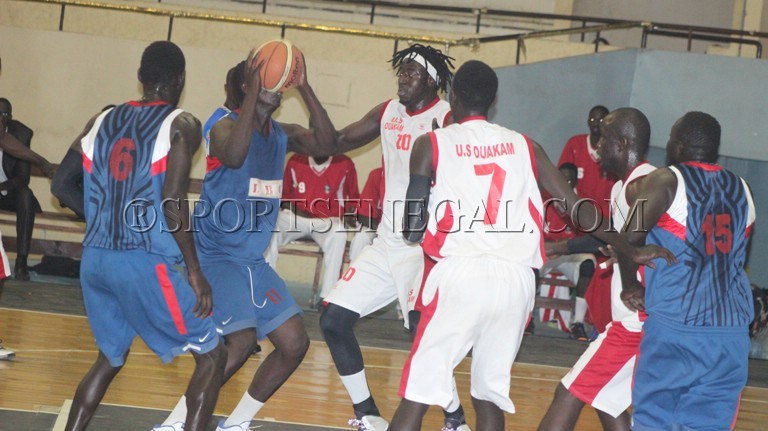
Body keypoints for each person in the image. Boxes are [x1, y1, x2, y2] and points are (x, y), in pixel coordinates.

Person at [388, 62, 671, 431]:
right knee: (487, 397)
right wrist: (627, 247)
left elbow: (411, 229)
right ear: (493, 100)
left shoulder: (431, 143)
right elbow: (578, 210)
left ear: (452, 97)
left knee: (418, 393)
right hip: (517, 282)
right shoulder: (526, 145)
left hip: (462, 273)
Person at [155, 50, 343, 431]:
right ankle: (176, 423)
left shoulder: (282, 134)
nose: (276, 87)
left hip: (253, 262)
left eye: (278, 83)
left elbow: (328, 143)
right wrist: (254, 94)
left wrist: (303, 87)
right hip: (216, 256)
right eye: (266, 82)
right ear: (247, 86)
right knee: (239, 342)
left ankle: (237, 422)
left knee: (294, 344)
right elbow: (236, 156)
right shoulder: (220, 125)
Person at [50, 41, 228, 431]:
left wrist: (101, 215)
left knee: (110, 358)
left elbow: (62, 184)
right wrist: (195, 270)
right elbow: (173, 199)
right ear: (180, 79)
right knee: (213, 356)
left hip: (95, 260)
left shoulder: (101, 119)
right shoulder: (182, 125)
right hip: (144, 262)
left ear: (141, 78)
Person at [317, 44, 474, 431]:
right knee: (333, 320)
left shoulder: (447, 118)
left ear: (434, 81)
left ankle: (454, 418)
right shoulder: (388, 112)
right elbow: (334, 141)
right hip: (387, 241)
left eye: (411, 73)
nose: (402, 78)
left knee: (422, 333)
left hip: (421, 246)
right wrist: (303, 96)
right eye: (400, 71)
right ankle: (367, 411)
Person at [617, 111, 755, 431]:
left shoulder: (665, 179)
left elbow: (628, 239)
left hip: (676, 325)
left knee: (655, 419)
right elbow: (738, 256)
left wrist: (630, 287)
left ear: (677, 145)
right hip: (730, 332)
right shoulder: (743, 189)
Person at [538, 107, 656, 431]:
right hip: (633, 321)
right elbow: (619, 240)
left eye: (603, 137)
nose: (597, 146)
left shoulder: (646, 184)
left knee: (566, 394)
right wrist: (562, 244)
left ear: (622, 142)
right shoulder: (622, 188)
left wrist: (633, 272)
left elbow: (640, 243)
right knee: (607, 403)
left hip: (637, 323)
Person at [266, 152, 359, 304]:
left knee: (340, 233)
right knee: (269, 227)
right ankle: (268, 289)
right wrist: (298, 210)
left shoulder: (344, 163)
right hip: (296, 217)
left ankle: (328, 297)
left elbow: (353, 198)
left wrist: (351, 213)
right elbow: (283, 196)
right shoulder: (296, 159)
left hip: (327, 221)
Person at [559, 105, 617, 334]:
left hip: (602, 225)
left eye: (601, 119)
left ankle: (585, 320)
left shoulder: (612, 153)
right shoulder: (575, 144)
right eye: (592, 118)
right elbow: (562, 177)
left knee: (600, 268)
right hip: (576, 223)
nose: (596, 122)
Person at [0, 98, 55, 280]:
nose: (1, 117)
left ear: (11, 117)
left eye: (5, 114)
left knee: (26, 196)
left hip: (8, 191)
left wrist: (3, 187)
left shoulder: (21, 133)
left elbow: (23, 179)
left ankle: (22, 261)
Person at [539, 163, 595, 340]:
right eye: (559, 177)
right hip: (545, 252)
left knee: (588, 263)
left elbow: (588, 239)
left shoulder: (583, 204)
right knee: (527, 263)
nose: (561, 182)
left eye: (566, 179)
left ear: (573, 182)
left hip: (569, 254)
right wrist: (549, 245)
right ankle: (526, 319)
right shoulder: (542, 199)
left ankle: (577, 323)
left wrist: (564, 246)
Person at [348, 166, 383, 262]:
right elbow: (364, 217)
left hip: (401, 233)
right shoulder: (377, 174)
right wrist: (384, 230)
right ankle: (353, 273)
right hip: (378, 228)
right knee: (362, 237)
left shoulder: (410, 179)